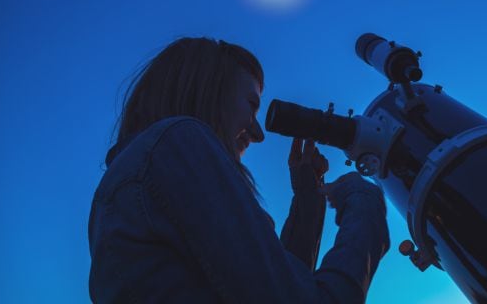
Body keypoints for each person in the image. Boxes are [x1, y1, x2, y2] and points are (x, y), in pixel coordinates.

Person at [88, 37, 390, 303]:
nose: (258, 134)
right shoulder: (179, 140)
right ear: (208, 89)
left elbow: (274, 284)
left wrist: (308, 197)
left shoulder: (124, 188)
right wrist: (365, 200)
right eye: (250, 104)